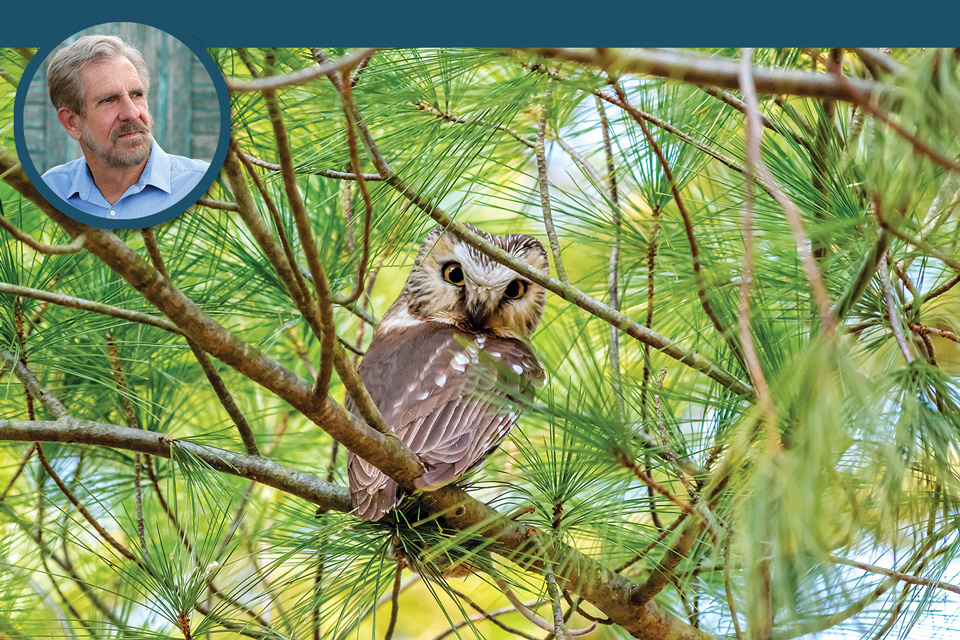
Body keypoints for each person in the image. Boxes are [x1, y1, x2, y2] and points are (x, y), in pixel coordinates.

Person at [41, 35, 209, 222]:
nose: (132, 113)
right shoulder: (50, 191)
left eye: (137, 95)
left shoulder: (202, 186)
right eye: (108, 100)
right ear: (72, 122)